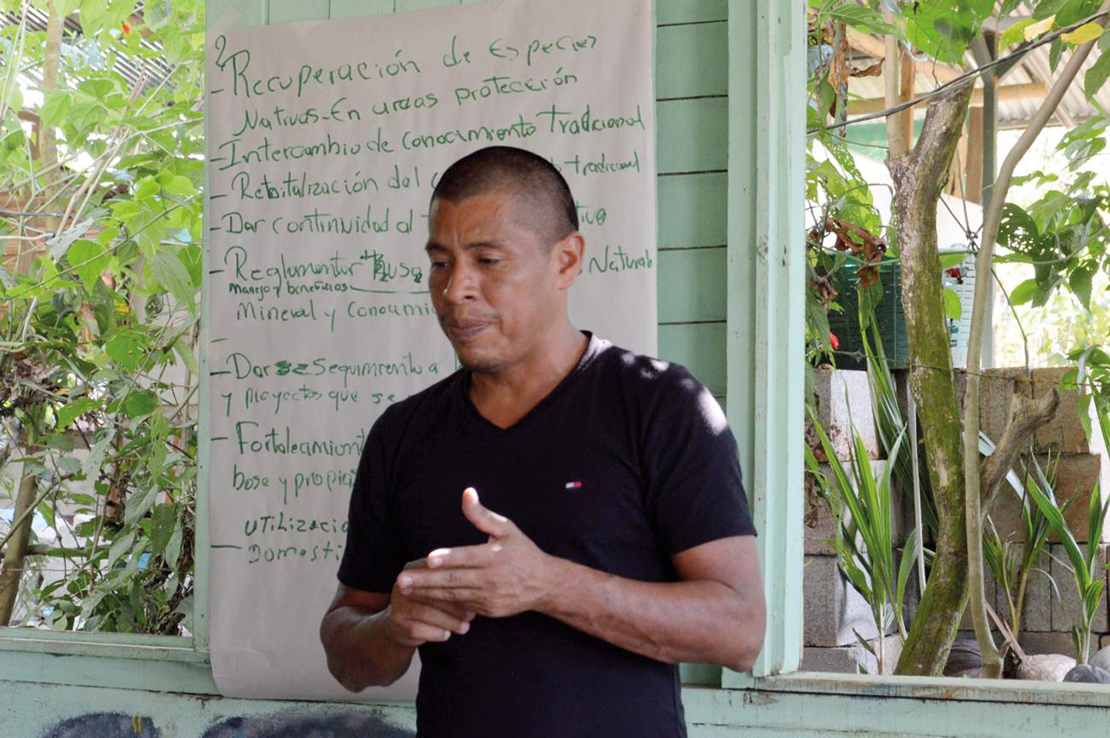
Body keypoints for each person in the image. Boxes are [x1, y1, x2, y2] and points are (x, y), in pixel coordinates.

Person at [319, 146, 765, 737]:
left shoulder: (659, 405)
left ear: (566, 261)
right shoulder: (403, 435)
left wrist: (547, 584)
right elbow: (346, 651)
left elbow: (740, 632)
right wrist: (393, 627)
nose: (456, 291)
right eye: (441, 263)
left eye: (488, 260)